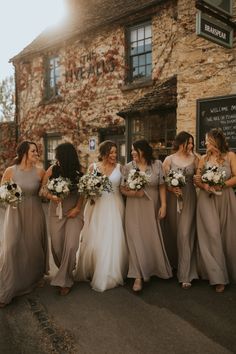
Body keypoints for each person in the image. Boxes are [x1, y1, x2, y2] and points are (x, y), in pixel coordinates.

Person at [74, 140, 128, 292]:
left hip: (115, 206)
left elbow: (123, 188)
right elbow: (84, 188)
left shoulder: (120, 168)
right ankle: (93, 268)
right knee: (95, 238)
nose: (114, 155)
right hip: (96, 207)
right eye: (111, 152)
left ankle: (110, 273)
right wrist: (88, 196)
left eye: (115, 152)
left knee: (113, 238)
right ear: (103, 153)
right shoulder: (93, 167)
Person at [0, 141, 48, 307]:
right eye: (33, 151)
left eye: (37, 151)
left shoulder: (41, 172)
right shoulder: (10, 171)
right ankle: (6, 289)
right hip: (14, 213)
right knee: (11, 247)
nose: (36, 153)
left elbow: (44, 192)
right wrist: (8, 198)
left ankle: (34, 277)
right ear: (24, 153)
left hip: (35, 212)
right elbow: (2, 192)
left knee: (33, 246)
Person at [121, 139, 172, 292]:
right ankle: (137, 275)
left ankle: (150, 269)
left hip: (152, 206)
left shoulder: (157, 165)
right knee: (135, 237)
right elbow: (122, 189)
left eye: (134, 150)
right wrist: (134, 193)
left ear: (143, 150)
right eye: (131, 151)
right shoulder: (128, 167)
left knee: (150, 237)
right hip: (134, 207)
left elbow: (162, 185)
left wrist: (164, 205)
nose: (132, 153)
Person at [195, 128, 236, 293]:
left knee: (227, 235)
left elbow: (235, 176)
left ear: (215, 141)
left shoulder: (231, 156)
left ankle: (229, 271)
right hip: (206, 200)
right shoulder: (203, 159)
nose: (205, 143)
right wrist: (204, 185)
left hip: (225, 198)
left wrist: (221, 184)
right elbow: (197, 179)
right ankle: (217, 277)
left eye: (207, 140)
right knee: (211, 235)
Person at [41, 142, 84, 296]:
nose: (56, 158)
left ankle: (65, 280)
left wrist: (78, 208)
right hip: (56, 212)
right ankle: (66, 270)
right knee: (58, 246)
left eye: (58, 155)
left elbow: (83, 193)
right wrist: (53, 196)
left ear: (66, 157)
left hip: (74, 212)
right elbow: (43, 189)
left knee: (71, 245)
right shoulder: (52, 169)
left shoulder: (80, 172)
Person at [162, 131, 199, 289]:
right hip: (173, 200)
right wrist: (172, 189)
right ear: (179, 143)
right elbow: (164, 183)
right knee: (173, 232)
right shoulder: (168, 160)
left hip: (189, 198)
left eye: (192, 143)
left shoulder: (195, 159)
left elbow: (199, 177)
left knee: (185, 233)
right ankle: (173, 264)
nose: (190, 146)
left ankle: (186, 275)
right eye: (187, 143)